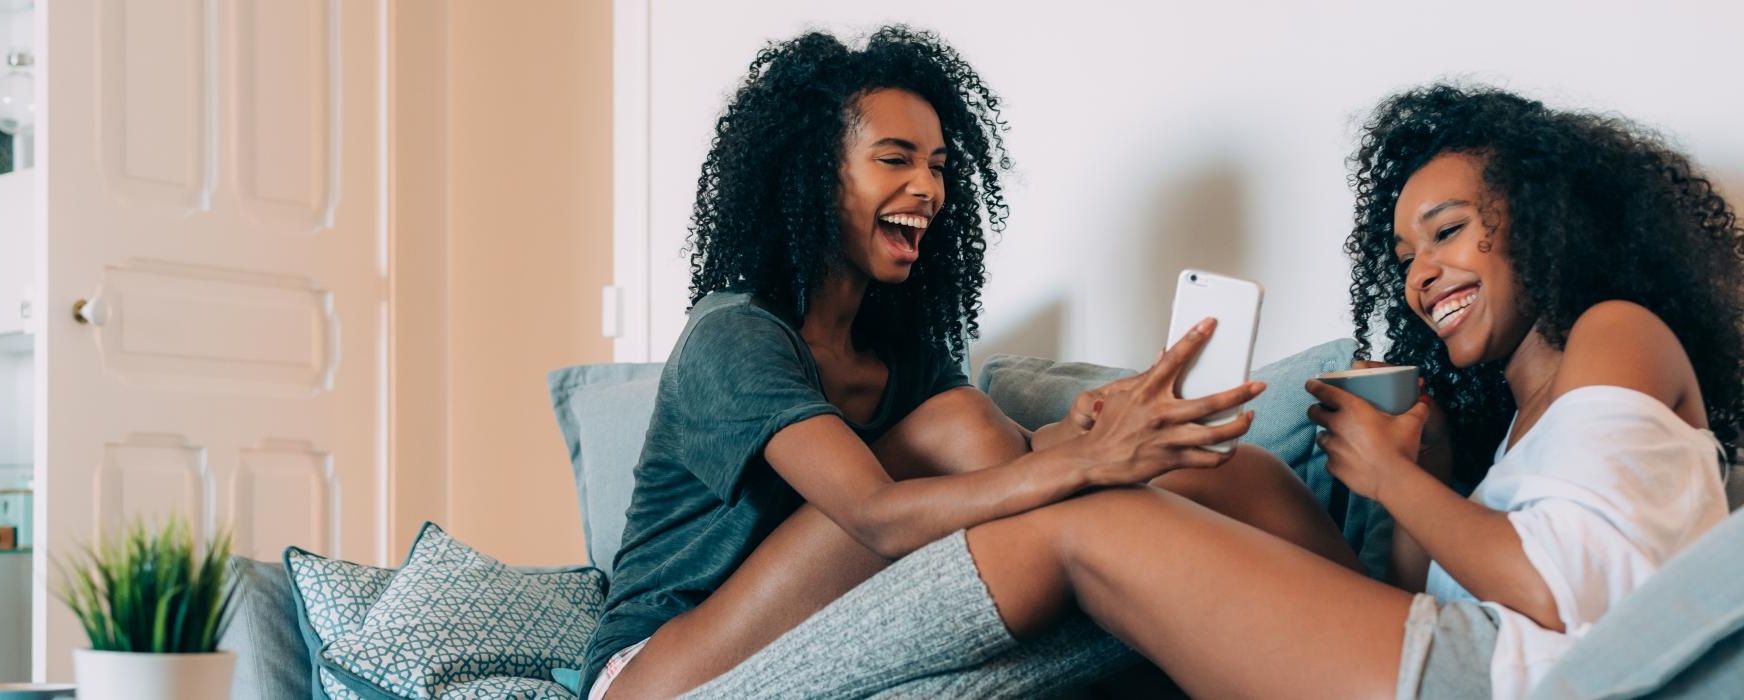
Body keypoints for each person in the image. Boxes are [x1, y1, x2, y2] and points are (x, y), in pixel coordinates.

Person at [683, 84, 1742, 699]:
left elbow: (1573, 599)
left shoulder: (1617, 331)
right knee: (1218, 465)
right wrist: (1418, 475)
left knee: (1088, 525)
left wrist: (1391, 480)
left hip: (1509, 676)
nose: (1422, 275)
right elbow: (1448, 592)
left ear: (1544, 218)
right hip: (1471, 652)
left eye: (1450, 231)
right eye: (1406, 253)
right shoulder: (1520, 411)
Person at [583, 26, 1346, 699]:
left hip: (822, 610)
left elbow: (999, 461)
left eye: (941, 166)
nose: (930, 188)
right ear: (815, 174)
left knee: (1224, 468)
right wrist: (1087, 462)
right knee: (963, 430)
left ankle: (1382, 632)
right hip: (663, 671)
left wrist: (1091, 429)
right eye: (895, 159)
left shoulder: (903, 345)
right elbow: (879, 517)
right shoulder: (734, 337)